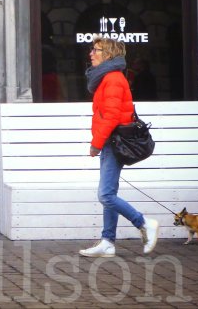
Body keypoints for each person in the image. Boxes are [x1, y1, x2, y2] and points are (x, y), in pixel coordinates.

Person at [79, 36, 159, 258]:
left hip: (113, 142)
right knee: (110, 193)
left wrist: (95, 145)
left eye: (96, 50)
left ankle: (143, 222)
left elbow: (112, 116)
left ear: (108, 54)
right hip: (110, 142)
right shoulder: (107, 78)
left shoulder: (112, 79)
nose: (91, 53)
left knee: (105, 195)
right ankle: (107, 242)